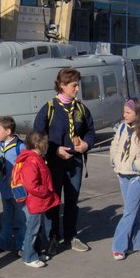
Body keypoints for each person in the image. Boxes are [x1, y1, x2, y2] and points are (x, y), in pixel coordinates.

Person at [33, 67, 95, 255]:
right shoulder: (49, 108)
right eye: (74, 85)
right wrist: (54, 149)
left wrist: (86, 144)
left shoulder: (81, 108)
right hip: (54, 163)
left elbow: (90, 131)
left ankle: (70, 236)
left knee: (72, 200)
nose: (77, 89)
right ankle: (52, 237)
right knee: (53, 201)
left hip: (74, 163)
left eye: (78, 85)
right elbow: (37, 135)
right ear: (62, 85)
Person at [109, 97, 140, 261]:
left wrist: (136, 165)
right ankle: (138, 242)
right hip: (122, 173)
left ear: (137, 113)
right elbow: (115, 144)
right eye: (124, 112)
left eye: (128, 112)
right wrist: (113, 160)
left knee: (129, 212)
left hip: (137, 176)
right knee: (131, 210)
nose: (124, 115)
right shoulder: (122, 127)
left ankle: (118, 246)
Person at [16, 131, 61, 267]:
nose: (47, 145)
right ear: (39, 144)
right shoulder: (32, 160)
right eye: (46, 143)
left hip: (38, 201)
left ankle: (35, 253)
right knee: (32, 230)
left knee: (36, 229)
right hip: (35, 201)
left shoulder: (36, 158)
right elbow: (31, 185)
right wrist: (46, 191)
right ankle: (28, 257)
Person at [0, 116, 26, 255]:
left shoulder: (20, 147)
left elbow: (29, 164)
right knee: (7, 216)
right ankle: (4, 243)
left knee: (22, 218)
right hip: (5, 187)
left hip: (18, 189)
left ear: (8, 131)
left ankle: (22, 245)